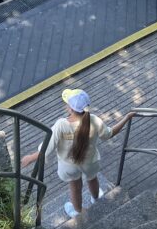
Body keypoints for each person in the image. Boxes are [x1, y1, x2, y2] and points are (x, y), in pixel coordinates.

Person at [20, 89, 135, 219]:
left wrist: (30, 158)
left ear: (70, 109)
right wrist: (126, 117)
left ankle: (77, 211)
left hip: (69, 166)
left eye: (67, 103)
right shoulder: (94, 120)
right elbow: (109, 133)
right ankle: (96, 199)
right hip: (90, 162)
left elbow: (46, 149)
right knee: (92, 178)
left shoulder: (61, 125)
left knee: (75, 187)